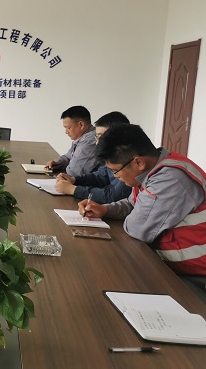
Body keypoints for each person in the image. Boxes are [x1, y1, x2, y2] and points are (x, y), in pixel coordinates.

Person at [80, 124, 206, 276]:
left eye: (115, 171)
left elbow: (137, 228)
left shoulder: (170, 178)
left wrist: (135, 213)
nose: (115, 176)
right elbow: (132, 203)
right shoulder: (150, 171)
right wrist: (105, 209)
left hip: (195, 275)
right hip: (169, 263)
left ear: (138, 162)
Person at [55, 111, 132, 203]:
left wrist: (73, 190)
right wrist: (74, 180)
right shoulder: (111, 155)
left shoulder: (130, 161)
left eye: (101, 137)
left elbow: (114, 196)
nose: (97, 142)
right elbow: (99, 177)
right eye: (97, 137)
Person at [45, 105, 99, 177]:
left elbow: (74, 172)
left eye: (68, 128)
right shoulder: (82, 137)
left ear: (81, 125)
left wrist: (66, 166)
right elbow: (68, 157)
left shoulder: (90, 140)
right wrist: (57, 163)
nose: (66, 132)